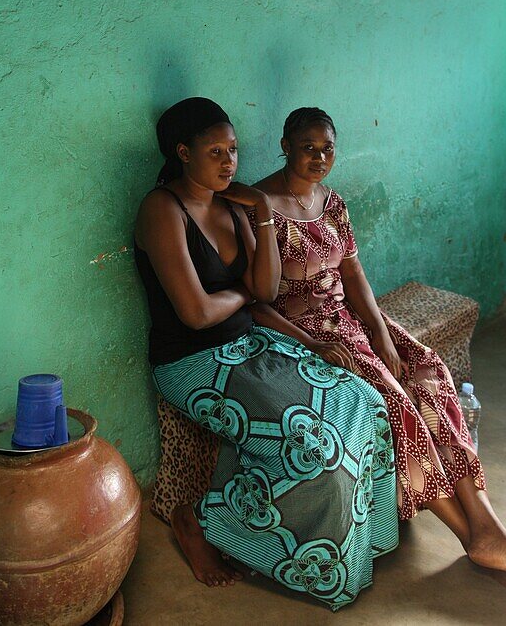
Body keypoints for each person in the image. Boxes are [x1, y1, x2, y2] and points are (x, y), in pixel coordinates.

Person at [251, 107, 506, 598]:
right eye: (308, 147)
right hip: (309, 330)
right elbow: (259, 295)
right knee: (396, 401)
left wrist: (380, 330)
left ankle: (488, 525)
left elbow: (353, 276)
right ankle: (471, 536)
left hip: (352, 316)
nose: (319, 157)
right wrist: (342, 341)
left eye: (328, 148)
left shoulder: (332, 202)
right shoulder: (259, 204)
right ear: (285, 145)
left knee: (430, 372)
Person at [134, 98, 398, 609]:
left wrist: (260, 213)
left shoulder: (232, 204)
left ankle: (360, 546)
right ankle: (204, 521)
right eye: (215, 151)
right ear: (182, 153)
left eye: (232, 150)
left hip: (251, 344)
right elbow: (195, 313)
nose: (228, 162)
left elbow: (267, 286)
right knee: (316, 452)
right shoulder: (161, 208)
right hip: (193, 363)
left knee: (364, 403)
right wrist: (243, 297)